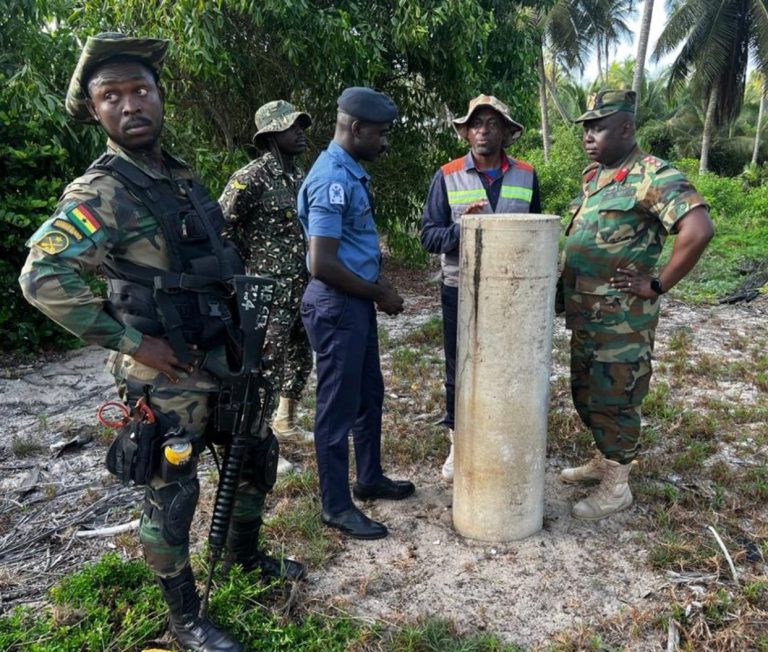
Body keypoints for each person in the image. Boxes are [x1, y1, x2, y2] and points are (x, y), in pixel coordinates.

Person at [19, 33, 304, 652]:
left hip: (223, 353)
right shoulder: (102, 191)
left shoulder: (179, 176)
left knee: (253, 457)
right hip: (167, 374)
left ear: (159, 96)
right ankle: (185, 617)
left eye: (140, 90)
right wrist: (130, 342)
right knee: (173, 494)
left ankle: (244, 558)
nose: (130, 105)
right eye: (111, 96)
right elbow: (42, 278)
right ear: (94, 109)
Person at [559, 90, 714, 520]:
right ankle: (604, 457)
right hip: (586, 313)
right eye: (586, 128)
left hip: (622, 320)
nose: (588, 136)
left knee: (617, 396)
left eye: (599, 127)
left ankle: (617, 486)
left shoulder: (654, 175)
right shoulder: (595, 176)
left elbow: (698, 229)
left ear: (626, 128)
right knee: (586, 391)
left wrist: (658, 283)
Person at [297, 86, 415, 540]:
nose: (384, 142)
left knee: (368, 394)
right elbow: (322, 264)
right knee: (337, 408)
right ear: (357, 128)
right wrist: (380, 293)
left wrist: (374, 290)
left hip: (353, 302)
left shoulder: (350, 172)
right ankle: (335, 505)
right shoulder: (331, 179)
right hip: (336, 304)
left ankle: (369, 478)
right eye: (380, 134)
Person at [420, 94, 542, 482]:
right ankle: (458, 443)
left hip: (512, 290)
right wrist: (462, 229)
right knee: (460, 366)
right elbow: (428, 236)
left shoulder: (527, 175)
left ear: (506, 132)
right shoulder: (448, 175)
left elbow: (536, 233)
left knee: (508, 365)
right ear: (466, 133)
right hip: (462, 288)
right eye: (475, 124)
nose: (483, 131)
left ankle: (501, 435)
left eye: (491, 123)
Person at [219, 100, 315, 477]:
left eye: (301, 126)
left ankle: (285, 422)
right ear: (272, 135)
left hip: (302, 287)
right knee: (267, 368)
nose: (300, 133)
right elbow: (222, 227)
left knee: (301, 356)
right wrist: (244, 272)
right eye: (293, 127)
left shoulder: (298, 175)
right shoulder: (251, 177)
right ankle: (258, 442)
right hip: (267, 294)